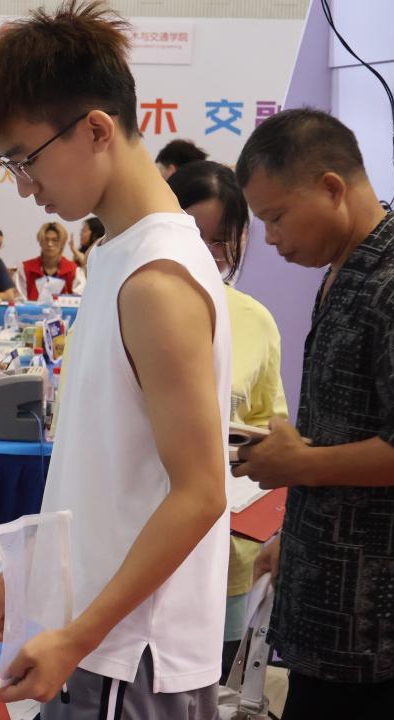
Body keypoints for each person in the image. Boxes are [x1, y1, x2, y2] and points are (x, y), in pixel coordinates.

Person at [0, 4, 231, 720]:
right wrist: (39, 578)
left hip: (124, 656)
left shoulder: (156, 277)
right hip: (97, 639)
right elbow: (107, 462)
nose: (23, 184)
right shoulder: (115, 252)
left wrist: (76, 633)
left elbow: (200, 492)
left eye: (24, 158)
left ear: (95, 130)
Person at [233, 107, 394, 720]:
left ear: (331, 187)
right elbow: (349, 430)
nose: (272, 239)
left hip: (383, 629)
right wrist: (297, 525)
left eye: (277, 217)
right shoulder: (342, 274)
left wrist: (301, 465)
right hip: (331, 610)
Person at [168, 160, 288, 672]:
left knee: (215, 692)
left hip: (229, 548)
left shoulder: (255, 320)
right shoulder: (124, 306)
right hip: (141, 548)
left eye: (224, 240)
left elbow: (271, 425)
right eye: (196, 236)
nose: (210, 253)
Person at [20, 222, 79, 301]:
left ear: (62, 243)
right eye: (46, 240)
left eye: (55, 240)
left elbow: (80, 300)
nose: (49, 244)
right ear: (40, 242)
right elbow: (19, 301)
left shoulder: (73, 271)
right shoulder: (25, 269)